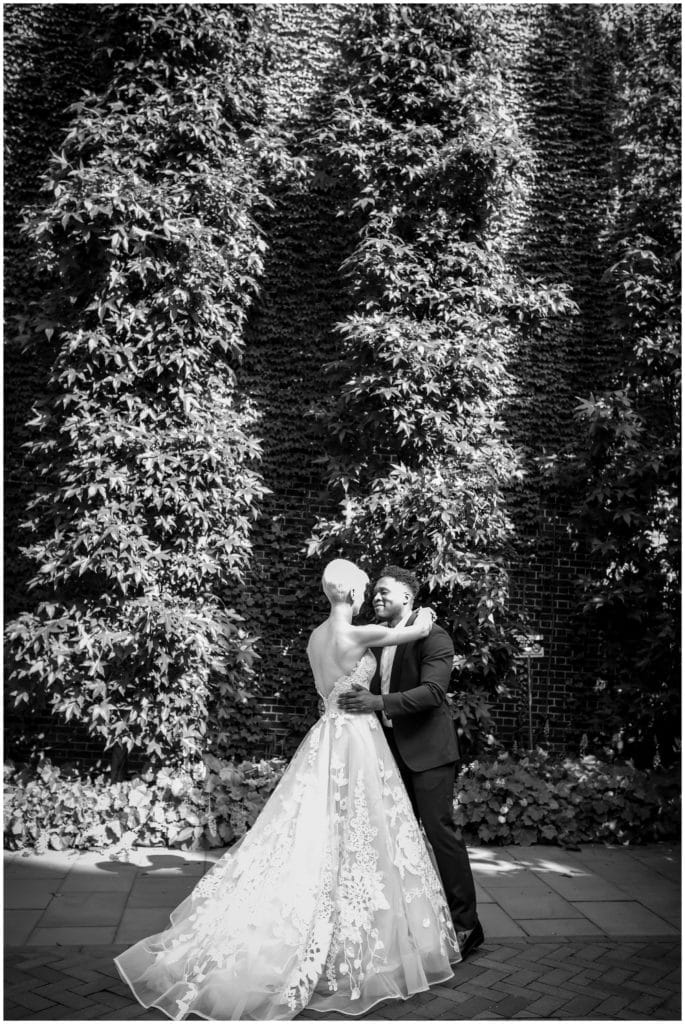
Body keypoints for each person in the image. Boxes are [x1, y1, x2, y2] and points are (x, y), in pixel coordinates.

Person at [115, 558, 460, 1021]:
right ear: (354, 595)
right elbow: (415, 634)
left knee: (321, 827)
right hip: (358, 737)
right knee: (363, 827)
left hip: (327, 734)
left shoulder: (317, 637)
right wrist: (426, 617)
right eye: (366, 592)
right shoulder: (356, 634)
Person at [337, 564, 484, 959]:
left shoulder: (434, 637)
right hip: (387, 752)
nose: (377, 597)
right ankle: (413, 921)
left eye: (385, 591)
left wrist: (378, 703)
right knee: (394, 837)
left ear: (408, 597)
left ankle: (467, 924)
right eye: (375, 592)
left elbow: (433, 692)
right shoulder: (382, 637)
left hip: (428, 753)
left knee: (441, 835)